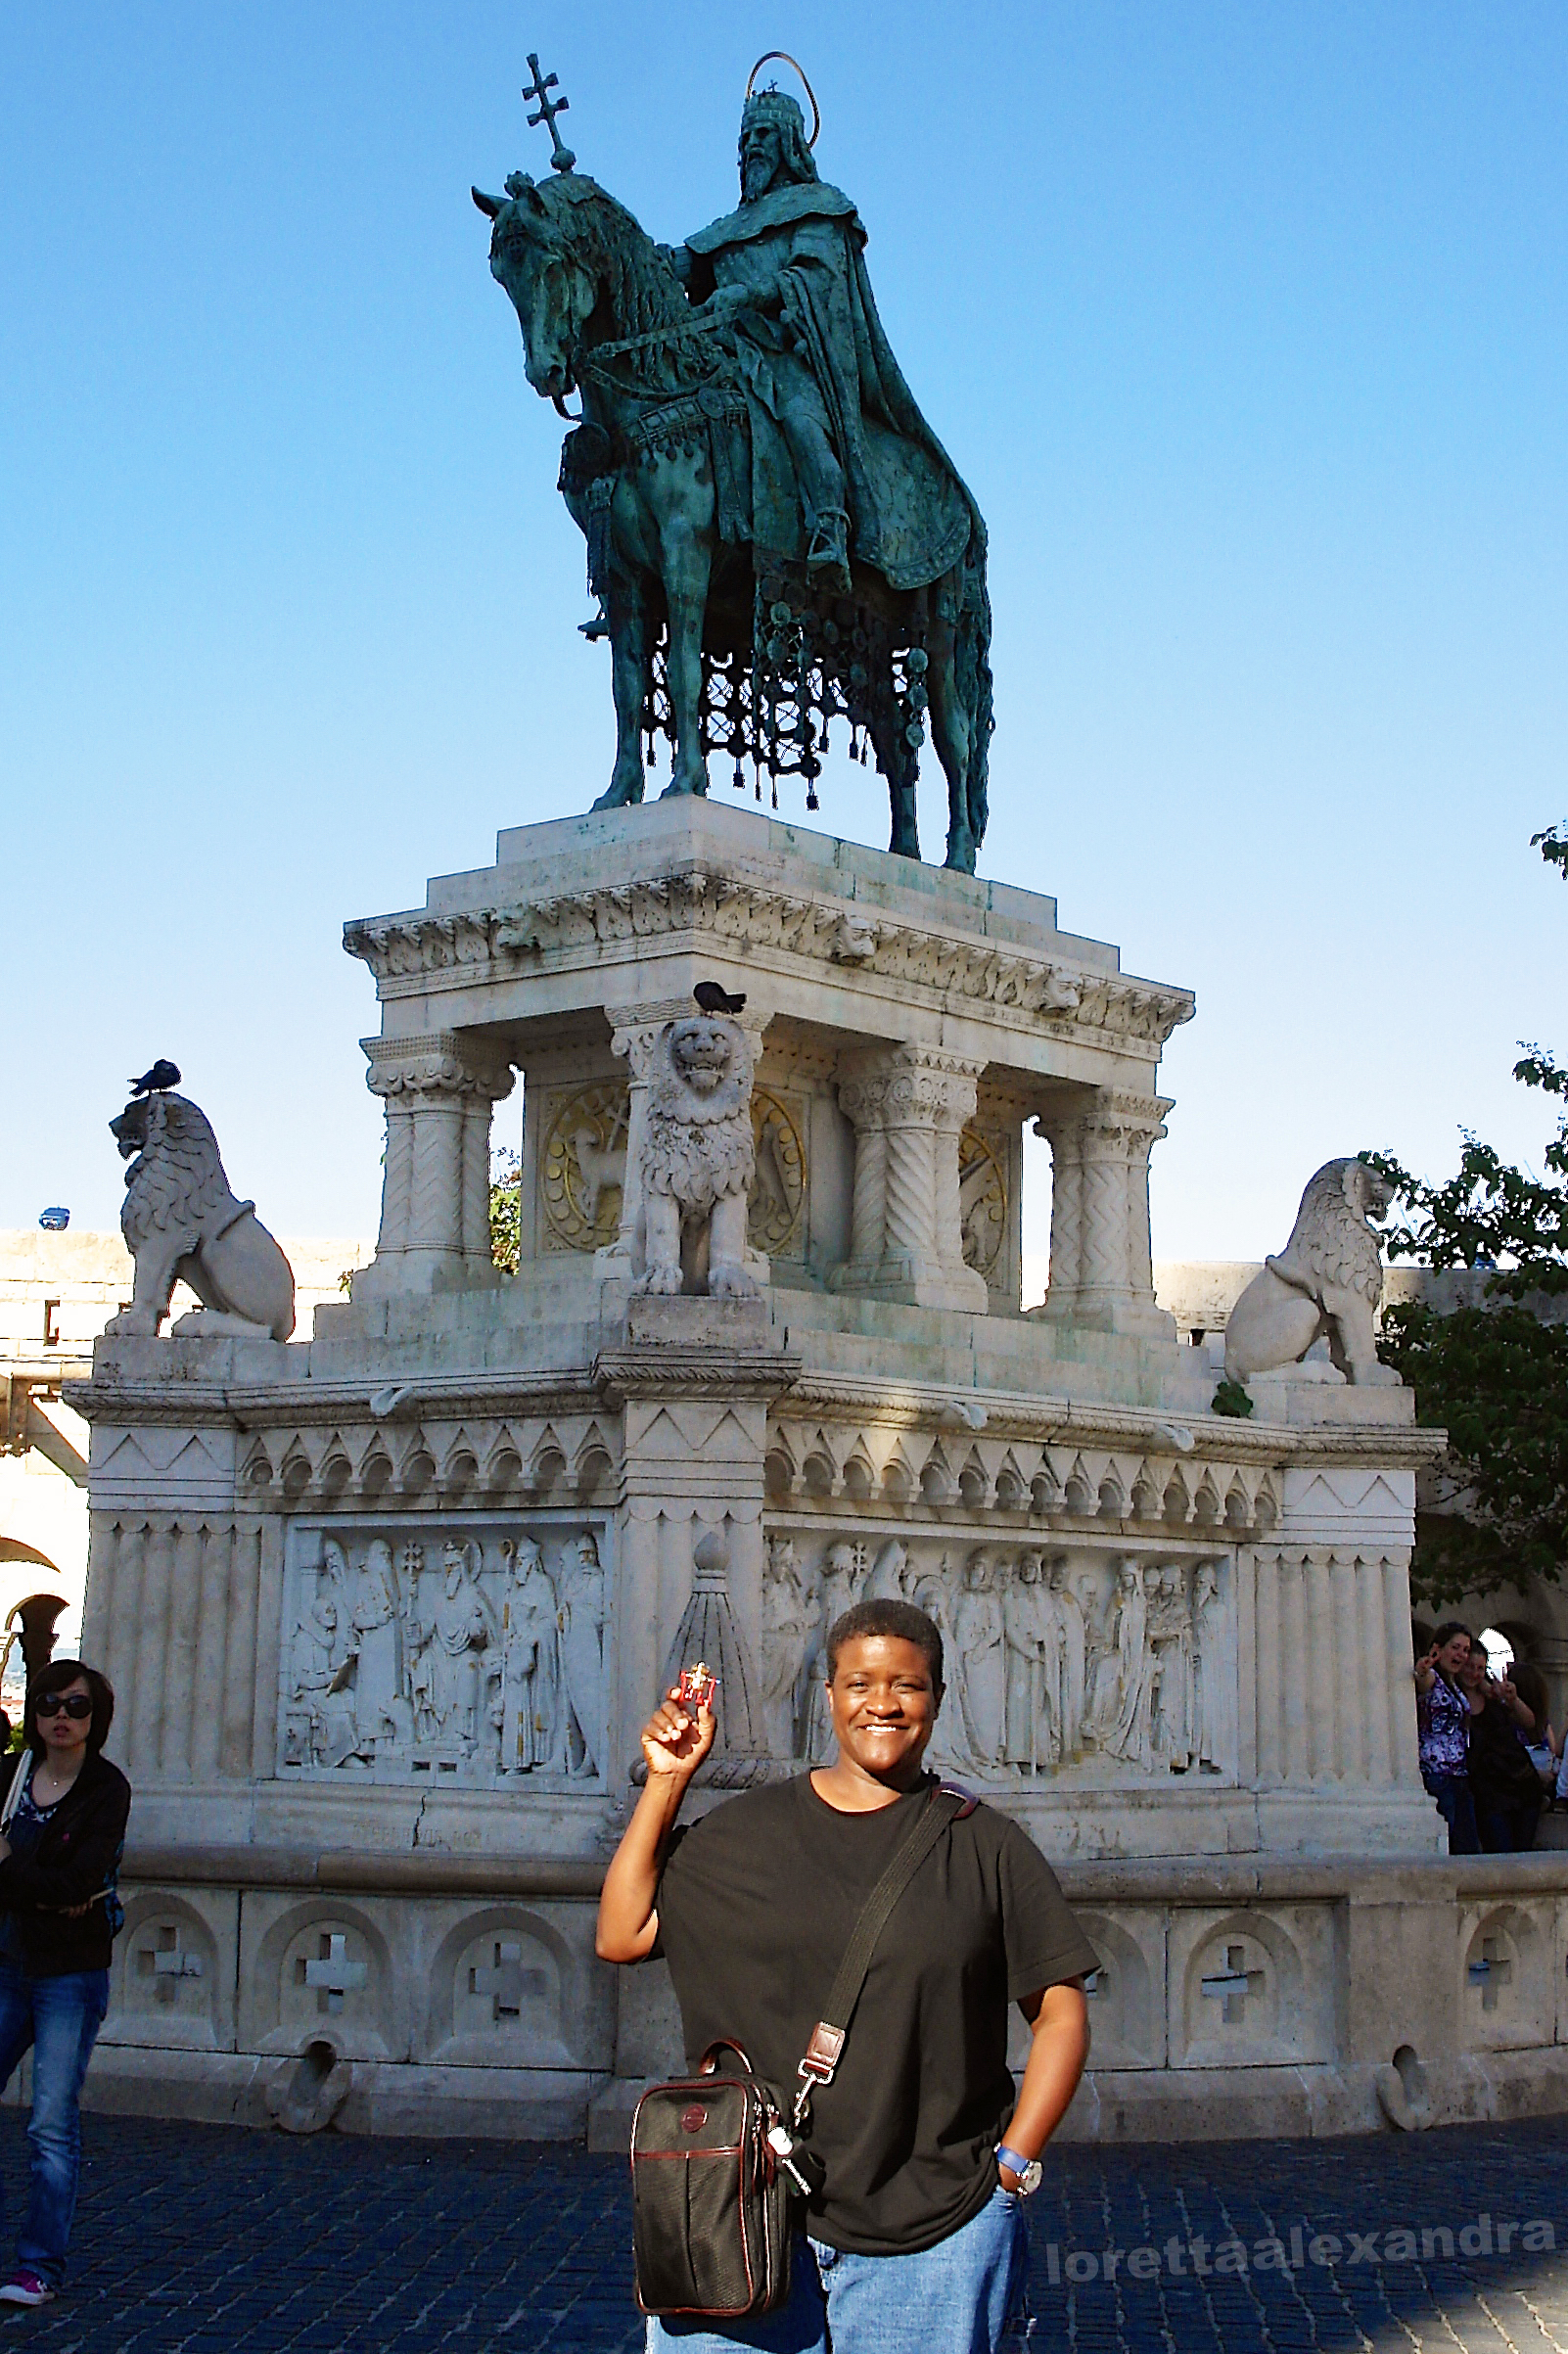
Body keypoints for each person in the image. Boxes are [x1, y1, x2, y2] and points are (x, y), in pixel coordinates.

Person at [598, 1598, 1097, 2354]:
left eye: (908, 1684)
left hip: (935, 2237)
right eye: (860, 1683)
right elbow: (621, 1932)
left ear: (938, 1697)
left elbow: (1060, 2010)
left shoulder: (987, 1847)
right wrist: (667, 1782)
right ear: (827, 1693)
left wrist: (1012, 2167)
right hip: (737, 2214)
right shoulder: (744, 1833)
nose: (882, 1703)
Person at [0, 1660, 129, 2306]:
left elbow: (80, 1880)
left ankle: (39, 2265)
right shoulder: (9, 1775)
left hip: (68, 1976)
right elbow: (60, 1885)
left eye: (76, 1706)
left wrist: (10, 1868)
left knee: (50, 2122)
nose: (61, 1716)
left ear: (95, 1717)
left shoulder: (106, 1788)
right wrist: (45, 1891)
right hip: (6, 1961)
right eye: (49, 1703)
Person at [1458, 1650, 1543, 1853]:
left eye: (1480, 1668)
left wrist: (1512, 1699)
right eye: (1469, 1666)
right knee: (1500, 1853)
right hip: (1488, 1793)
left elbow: (1529, 1722)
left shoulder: (1493, 1696)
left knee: (1523, 1853)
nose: (1474, 1673)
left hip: (1521, 1783)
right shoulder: (1454, 1698)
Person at [1413, 1622, 1479, 1854]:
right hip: (1437, 1771)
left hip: (1459, 1772)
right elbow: (1423, 1682)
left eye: (1465, 1650)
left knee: (1467, 1844)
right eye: (1455, 1647)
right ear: (1438, 1649)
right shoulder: (1435, 1679)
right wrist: (1422, 1670)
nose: (1460, 1655)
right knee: (1447, 1841)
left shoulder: (1455, 1686)